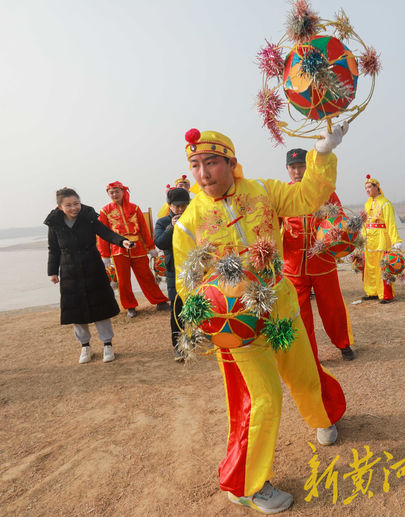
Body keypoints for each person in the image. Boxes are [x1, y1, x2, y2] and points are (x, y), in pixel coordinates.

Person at [173, 126, 348, 514]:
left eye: (212, 162)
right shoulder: (188, 223)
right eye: (196, 165)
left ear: (231, 163)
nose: (203, 173)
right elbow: (189, 285)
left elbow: (308, 196)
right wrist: (212, 323)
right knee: (261, 400)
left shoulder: (264, 192)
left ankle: (324, 417)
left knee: (304, 371)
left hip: (281, 307)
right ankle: (245, 484)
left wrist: (322, 152)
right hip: (239, 329)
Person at [282, 148, 356, 361]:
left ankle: (343, 344)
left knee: (333, 307)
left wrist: (338, 239)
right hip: (293, 266)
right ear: (287, 169)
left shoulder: (326, 192)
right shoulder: (283, 194)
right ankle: (308, 355)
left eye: (301, 166)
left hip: (323, 261)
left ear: (309, 167)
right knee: (300, 314)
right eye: (293, 167)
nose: (297, 171)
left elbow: (341, 222)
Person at [45, 188, 134, 363]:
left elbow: (106, 233)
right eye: (68, 205)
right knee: (76, 312)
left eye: (76, 203)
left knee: (100, 308)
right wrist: (52, 272)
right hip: (70, 272)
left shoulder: (89, 217)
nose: (74, 208)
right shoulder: (55, 223)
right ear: (60, 206)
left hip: (93, 268)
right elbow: (53, 250)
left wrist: (121, 241)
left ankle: (107, 344)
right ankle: (85, 346)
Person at [97, 181, 170, 317]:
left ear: (123, 192)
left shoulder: (135, 209)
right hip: (118, 249)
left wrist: (150, 247)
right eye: (111, 192)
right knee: (123, 280)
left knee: (146, 275)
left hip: (137, 247)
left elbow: (144, 230)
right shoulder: (105, 211)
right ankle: (130, 306)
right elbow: (102, 235)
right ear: (108, 194)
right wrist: (105, 255)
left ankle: (160, 301)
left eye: (117, 191)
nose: (114, 194)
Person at [154, 187, 190, 361]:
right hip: (173, 272)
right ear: (169, 205)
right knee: (177, 309)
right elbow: (160, 243)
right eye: (177, 206)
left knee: (201, 303)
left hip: (193, 269)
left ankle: (206, 337)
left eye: (184, 205)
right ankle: (178, 346)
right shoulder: (162, 222)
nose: (181, 209)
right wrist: (171, 227)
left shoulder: (193, 219)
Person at [361, 174, 402, 303]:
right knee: (370, 267)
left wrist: (396, 240)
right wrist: (361, 239)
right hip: (369, 241)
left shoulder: (385, 204)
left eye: (369, 187)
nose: (367, 190)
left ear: (377, 187)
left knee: (383, 266)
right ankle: (372, 292)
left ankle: (386, 294)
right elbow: (364, 223)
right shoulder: (367, 204)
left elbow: (391, 223)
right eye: (365, 188)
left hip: (381, 239)